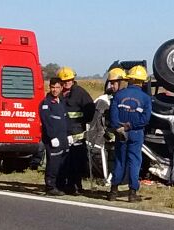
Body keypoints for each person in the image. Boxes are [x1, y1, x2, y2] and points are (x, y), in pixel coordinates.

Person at [109, 64, 153, 202]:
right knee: (134, 161)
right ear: (142, 81)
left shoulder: (119, 95)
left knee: (119, 161)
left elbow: (113, 117)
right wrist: (131, 126)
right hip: (136, 133)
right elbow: (145, 119)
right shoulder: (145, 98)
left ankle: (113, 192)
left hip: (120, 133)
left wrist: (119, 128)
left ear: (130, 79)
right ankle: (132, 193)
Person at [56, 66, 95, 194]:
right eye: (64, 81)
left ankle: (76, 186)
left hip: (76, 132)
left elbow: (90, 110)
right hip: (62, 132)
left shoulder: (80, 93)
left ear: (73, 80)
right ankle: (62, 185)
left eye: (69, 80)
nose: (67, 83)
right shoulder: (58, 93)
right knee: (62, 160)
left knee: (76, 161)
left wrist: (82, 122)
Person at [88, 67, 127, 191]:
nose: (112, 86)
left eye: (114, 83)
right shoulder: (104, 100)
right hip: (108, 135)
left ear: (122, 83)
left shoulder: (125, 98)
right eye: (111, 83)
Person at [39, 77, 70, 194]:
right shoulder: (46, 103)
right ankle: (50, 186)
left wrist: (69, 135)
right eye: (53, 87)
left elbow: (65, 120)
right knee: (53, 163)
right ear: (49, 87)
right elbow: (46, 122)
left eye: (57, 87)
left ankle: (60, 185)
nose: (55, 90)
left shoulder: (61, 102)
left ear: (61, 88)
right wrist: (52, 137)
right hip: (53, 139)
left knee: (62, 163)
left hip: (63, 137)